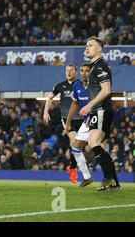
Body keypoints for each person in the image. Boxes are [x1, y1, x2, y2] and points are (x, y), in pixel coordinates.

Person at [79, 37, 120, 191]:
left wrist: (90, 106)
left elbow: (106, 90)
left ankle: (108, 177)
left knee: (93, 142)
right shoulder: (94, 67)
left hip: (101, 109)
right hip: (99, 111)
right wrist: (91, 113)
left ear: (99, 49)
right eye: (86, 45)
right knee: (102, 146)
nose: (87, 48)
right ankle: (114, 183)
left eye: (90, 45)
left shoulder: (100, 66)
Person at [43, 64, 83, 183]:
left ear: (76, 72)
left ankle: (72, 166)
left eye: (71, 70)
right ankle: (74, 169)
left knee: (81, 146)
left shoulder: (82, 84)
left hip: (82, 118)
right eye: (67, 70)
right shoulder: (60, 86)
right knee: (75, 141)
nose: (69, 72)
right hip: (67, 119)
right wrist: (46, 112)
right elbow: (50, 98)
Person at [65, 63, 94, 187]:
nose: (84, 73)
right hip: (86, 121)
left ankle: (110, 177)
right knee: (76, 149)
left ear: (91, 73)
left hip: (97, 118)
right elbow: (75, 104)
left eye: (87, 71)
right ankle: (87, 177)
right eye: (82, 71)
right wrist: (68, 121)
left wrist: (93, 116)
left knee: (99, 148)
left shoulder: (95, 86)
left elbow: (101, 103)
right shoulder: (77, 85)